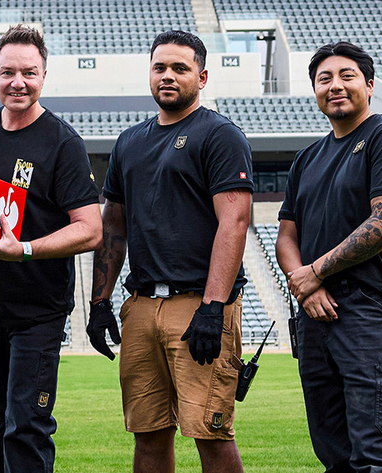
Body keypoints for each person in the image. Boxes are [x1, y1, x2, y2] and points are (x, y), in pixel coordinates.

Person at [0, 25, 101, 473]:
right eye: (7, 72)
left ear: (44, 75)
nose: (18, 82)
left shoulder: (63, 143)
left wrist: (24, 250)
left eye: (28, 72)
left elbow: (89, 230)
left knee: (26, 425)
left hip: (38, 311)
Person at [89, 30, 252, 473]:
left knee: (210, 433)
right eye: (159, 67)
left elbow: (234, 221)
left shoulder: (219, 135)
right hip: (141, 306)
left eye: (180, 68)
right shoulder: (128, 142)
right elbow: (113, 225)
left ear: (201, 77)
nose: (168, 76)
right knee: (147, 433)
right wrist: (99, 302)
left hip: (198, 303)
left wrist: (214, 306)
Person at [274, 41, 382, 473]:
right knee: (333, 454)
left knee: (376, 456)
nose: (335, 86)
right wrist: (306, 286)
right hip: (314, 316)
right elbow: (287, 235)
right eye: (324, 79)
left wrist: (315, 272)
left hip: (368, 312)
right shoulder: (307, 159)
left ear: (370, 86)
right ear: (315, 91)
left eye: (346, 76)